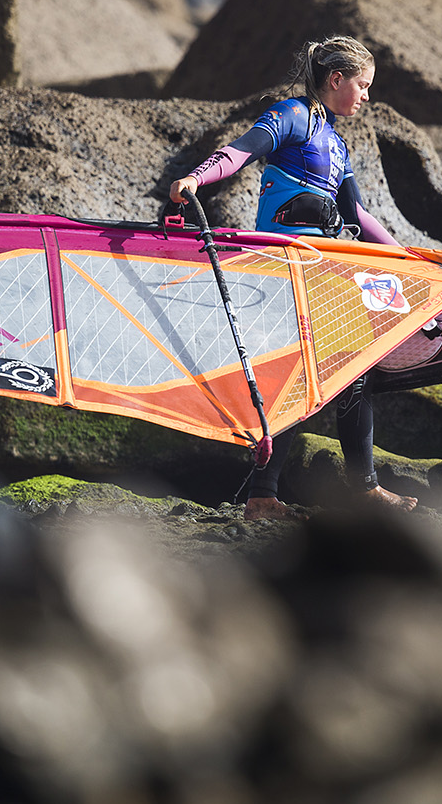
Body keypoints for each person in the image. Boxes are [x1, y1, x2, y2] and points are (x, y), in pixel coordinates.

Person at [167, 36, 419, 521]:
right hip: (285, 268)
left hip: (324, 267)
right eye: (363, 85)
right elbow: (240, 152)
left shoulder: (339, 146)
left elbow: (359, 217)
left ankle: (343, 488)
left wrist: (409, 258)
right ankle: (269, 495)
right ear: (336, 79)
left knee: (350, 372)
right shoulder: (292, 116)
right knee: (298, 373)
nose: (367, 96)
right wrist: (196, 177)